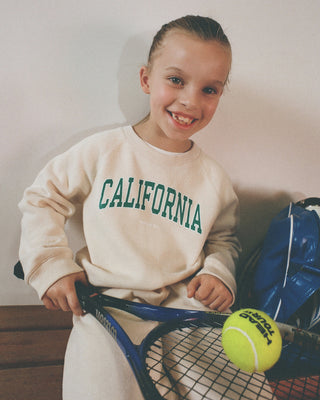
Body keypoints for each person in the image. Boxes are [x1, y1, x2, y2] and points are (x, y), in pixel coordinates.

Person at [18, 15, 241, 400]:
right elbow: (43, 197)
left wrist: (219, 274)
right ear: (145, 80)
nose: (190, 100)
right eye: (176, 80)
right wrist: (51, 265)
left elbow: (224, 240)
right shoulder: (103, 152)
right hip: (104, 309)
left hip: (185, 312)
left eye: (210, 89)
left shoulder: (215, 179)